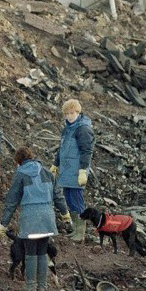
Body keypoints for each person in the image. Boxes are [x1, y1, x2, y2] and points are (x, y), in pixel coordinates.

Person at [0, 146, 72, 291]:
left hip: (30, 218)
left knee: (31, 253)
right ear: (32, 157)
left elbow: (12, 201)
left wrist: (3, 223)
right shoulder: (47, 172)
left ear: (19, 161)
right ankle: (43, 288)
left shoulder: (20, 174)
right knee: (42, 252)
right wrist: (66, 215)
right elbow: (58, 196)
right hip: (47, 218)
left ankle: (30, 288)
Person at [51, 99, 94, 242]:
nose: (69, 116)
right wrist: (56, 164)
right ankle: (76, 229)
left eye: (72, 113)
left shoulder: (83, 129)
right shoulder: (67, 129)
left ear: (78, 112)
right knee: (69, 198)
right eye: (67, 114)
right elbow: (61, 149)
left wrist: (83, 170)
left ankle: (80, 233)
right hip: (66, 170)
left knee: (77, 199)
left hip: (76, 171)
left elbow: (86, 151)